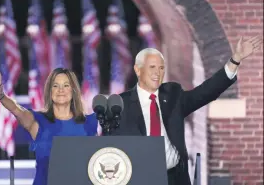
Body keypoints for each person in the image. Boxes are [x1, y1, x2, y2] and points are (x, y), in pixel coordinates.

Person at [107, 35, 263, 185]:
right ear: (138, 70)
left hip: (174, 178)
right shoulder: (121, 104)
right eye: (152, 67)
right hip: (140, 178)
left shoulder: (173, 95)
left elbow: (205, 92)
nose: (157, 72)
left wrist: (234, 61)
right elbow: (110, 149)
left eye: (161, 68)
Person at [0, 68, 100, 185]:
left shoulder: (89, 123)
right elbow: (17, 110)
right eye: (55, 86)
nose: (61, 90)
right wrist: (1, 95)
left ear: (73, 90)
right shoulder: (38, 121)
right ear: (49, 91)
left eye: (66, 85)